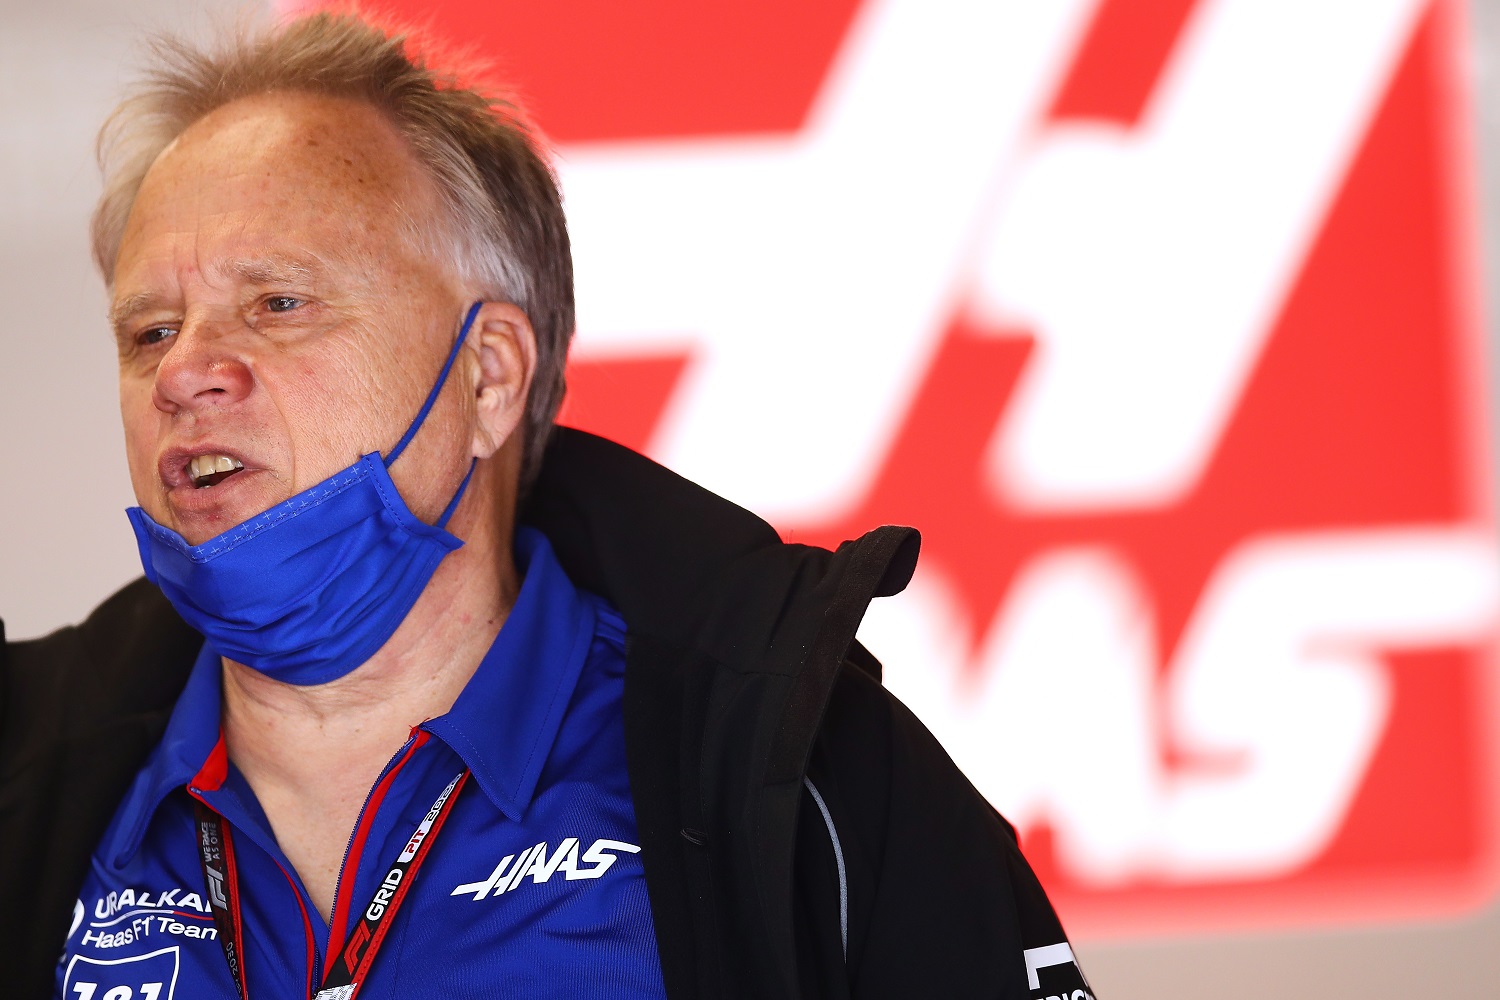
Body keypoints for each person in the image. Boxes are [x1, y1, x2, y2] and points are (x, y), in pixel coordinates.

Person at [0, 12, 1093, 1000]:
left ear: (488, 377)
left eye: (279, 303)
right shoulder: (26, 780)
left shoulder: (809, 778)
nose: (186, 372)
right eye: (149, 332)